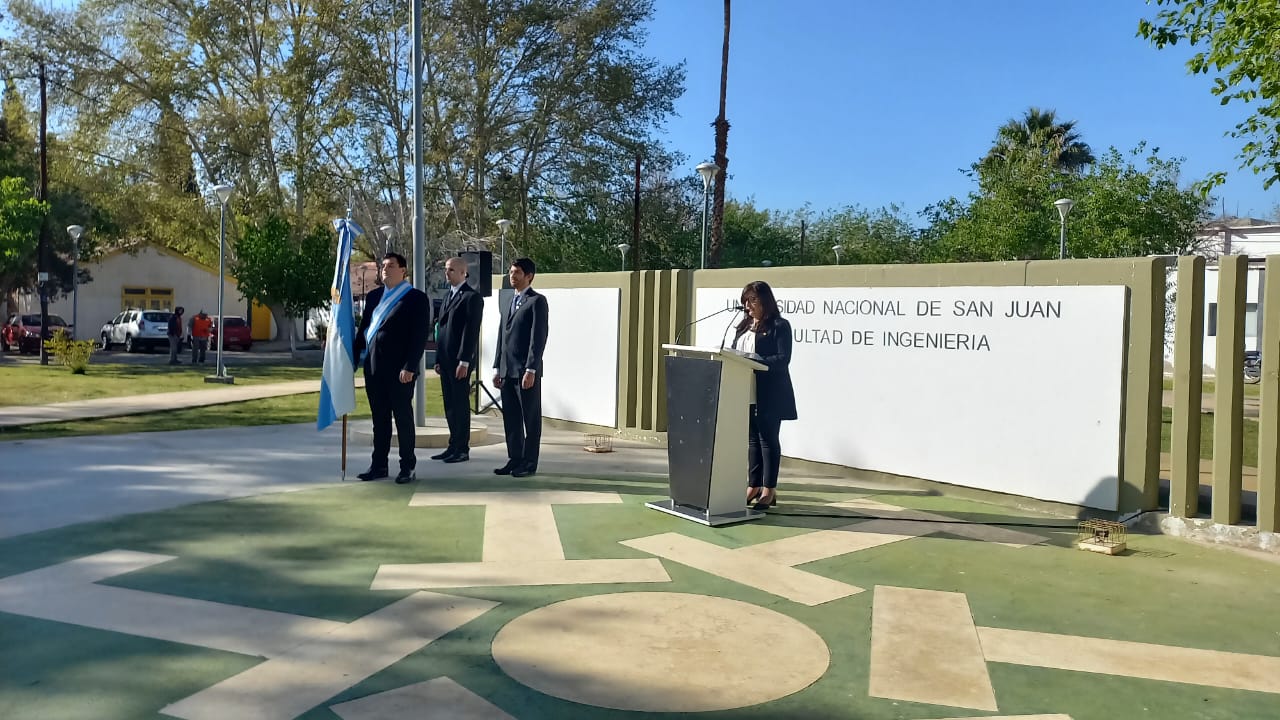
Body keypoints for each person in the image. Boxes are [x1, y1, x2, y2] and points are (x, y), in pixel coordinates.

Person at [352, 252, 431, 484]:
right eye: (383, 266)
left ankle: (407, 466)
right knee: (380, 420)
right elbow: (365, 330)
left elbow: (419, 337)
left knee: (403, 419)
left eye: (391, 265)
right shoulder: (375, 296)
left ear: (403, 271)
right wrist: (353, 357)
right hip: (374, 369)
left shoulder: (415, 298)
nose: (385, 269)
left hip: (400, 371)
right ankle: (379, 465)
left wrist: (410, 366)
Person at [730, 281, 797, 511]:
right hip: (745, 389)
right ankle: (754, 486)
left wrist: (756, 361)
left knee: (768, 440)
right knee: (752, 441)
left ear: (765, 301)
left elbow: (782, 359)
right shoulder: (743, 326)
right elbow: (733, 352)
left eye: (752, 301)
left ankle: (769, 490)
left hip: (770, 392)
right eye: (745, 301)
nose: (747, 306)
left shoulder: (780, 326)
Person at [492, 258, 548, 478]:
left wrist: (531, 369)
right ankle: (514, 458)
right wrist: (497, 366)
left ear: (529, 276)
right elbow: (501, 337)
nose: (512, 276)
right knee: (512, 419)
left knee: (530, 419)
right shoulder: (509, 302)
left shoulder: (537, 302)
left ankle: (529, 462)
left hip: (525, 372)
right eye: (511, 272)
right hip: (507, 371)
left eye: (517, 273)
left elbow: (538, 338)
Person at [432, 256, 484, 463]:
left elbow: (470, 332)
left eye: (452, 270)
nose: (447, 273)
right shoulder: (447, 297)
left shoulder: (471, 298)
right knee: (450, 404)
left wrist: (464, 360)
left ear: (463, 273)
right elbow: (441, 330)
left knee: (461, 405)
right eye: (446, 269)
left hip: (459, 361)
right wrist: (437, 358)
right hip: (445, 359)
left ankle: (462, 448)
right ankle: (453, 444)